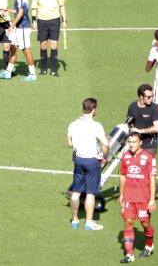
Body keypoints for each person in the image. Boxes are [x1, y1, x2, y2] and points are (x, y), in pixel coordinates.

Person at [67, 97, 108, 231]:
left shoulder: (73, 124)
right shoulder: (96, 125)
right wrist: (104, 157)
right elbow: (105, 144)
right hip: (91, 161)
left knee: (76, 192)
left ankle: (74, 220)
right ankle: (89, 222)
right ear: (94, 110)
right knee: (90, 193)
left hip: (78, 159)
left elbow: (69, 144)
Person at [119, 131, 157, 262]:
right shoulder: (125, 156)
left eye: (134, 142)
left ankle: (149, 245)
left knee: (145, 223)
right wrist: (121, 194)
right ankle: (129, 254)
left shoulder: (149, 157)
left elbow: (152, 178)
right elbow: (123, 175)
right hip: (129, 197)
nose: (131, 144)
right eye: (129, 142)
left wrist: (152, 199)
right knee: (128, 222)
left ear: (140, 142)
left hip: (143, 198)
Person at [0, 0, 38, 82]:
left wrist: (12, 25)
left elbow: (21, 13)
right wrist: (8, 10)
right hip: (19, 27)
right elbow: (18, 11)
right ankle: (8, 72)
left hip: (22, 27)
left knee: (26, 49)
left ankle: (32, 74)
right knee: (13, 48)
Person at [31, 0, 66, 76]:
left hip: (54, 20)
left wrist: (64, 20)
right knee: (43, 45)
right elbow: (34, 7)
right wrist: (33, 20)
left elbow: (62, 5)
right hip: (42, 21)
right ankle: (44, 69)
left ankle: (54, 70)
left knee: (54, 45)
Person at [125, 84, 158, 155]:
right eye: (148, 97)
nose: (151, 99)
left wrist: (140, 131)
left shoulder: (154, 108)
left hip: (150, 145)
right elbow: (129, 123)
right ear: (141, 96)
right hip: (135, 143)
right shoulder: (132, 106)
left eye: (152, 96)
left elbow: (157, 128)